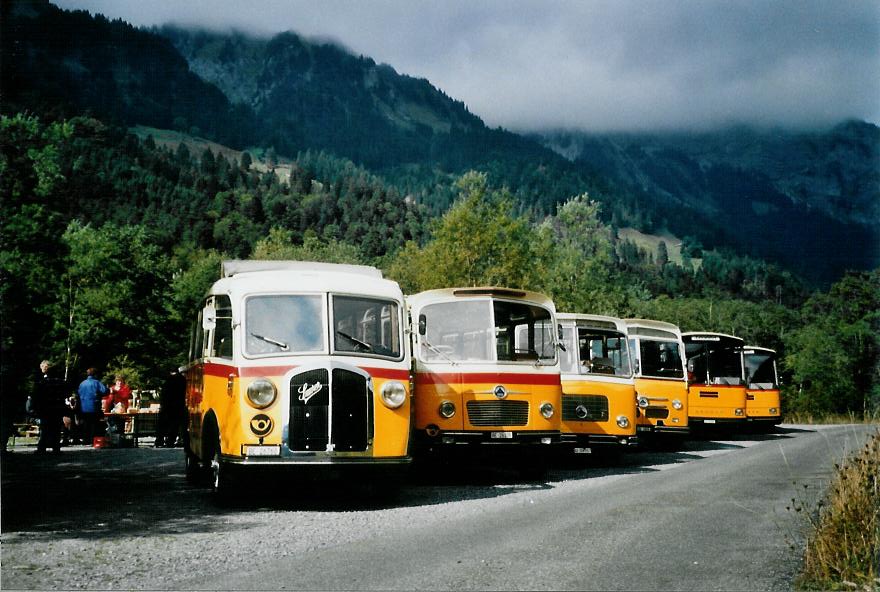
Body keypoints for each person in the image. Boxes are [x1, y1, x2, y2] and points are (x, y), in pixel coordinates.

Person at [33, 360, 67, 454]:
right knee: (56, 428)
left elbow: (37, 396)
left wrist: (36, 408)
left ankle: (42, 448)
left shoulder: (41, 382)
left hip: (45, 408)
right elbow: (64, 394)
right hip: (57, 408)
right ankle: (56, 448)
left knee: (45, 428)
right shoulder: (60, 382)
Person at [156, 368, 186, 447]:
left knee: (163, 424)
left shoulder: (168, 380)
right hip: (178, 405)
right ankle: (170, 441)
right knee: (174, 424)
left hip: (167, 405)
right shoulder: (183, 380)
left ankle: (159, 440)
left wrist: (162, 403)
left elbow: (163, 393)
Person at [77, 368, 107, 443]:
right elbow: (104, 391)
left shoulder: (82, 383)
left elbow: (78, 393)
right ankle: (93, 440)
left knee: (86, 423)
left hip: (83, 407)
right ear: (95, 375)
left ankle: (85, 440)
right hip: (94, 406)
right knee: (94, 423)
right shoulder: (96, 382)